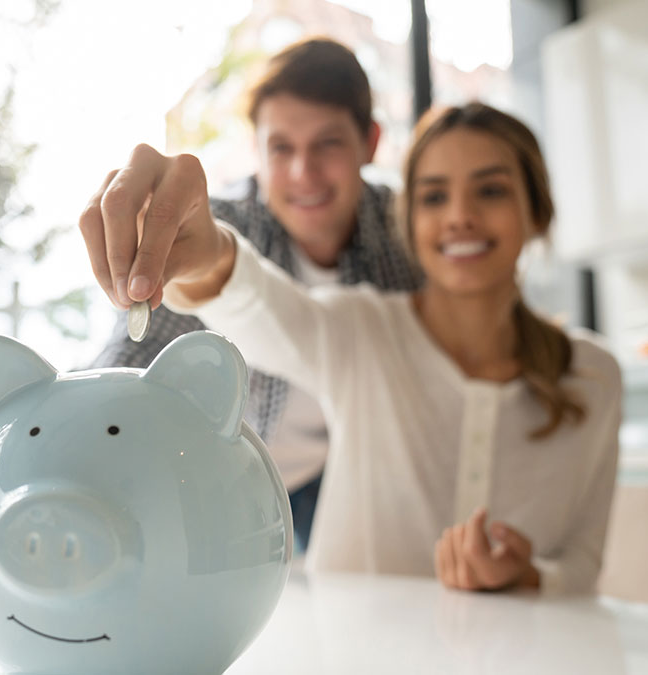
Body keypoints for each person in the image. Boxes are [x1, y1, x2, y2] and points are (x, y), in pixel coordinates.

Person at [78, 102, 622, 594]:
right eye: (434, 195)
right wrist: (203, 250)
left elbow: (581, 566)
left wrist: (527, 576)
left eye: (491, 190)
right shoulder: (362, 331)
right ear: (409, 223)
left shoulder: (595, 375)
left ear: (539, 210)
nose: (459, 215)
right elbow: (257, 303)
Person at [85, 37, 420, 552]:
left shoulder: (407, 233)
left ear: (370, 142)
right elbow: (138, 356)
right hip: (237, 487)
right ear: (257, 150)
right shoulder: (216, 228)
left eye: (327, 144)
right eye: (281, 147)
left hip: (358, 478)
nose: (301, 173)